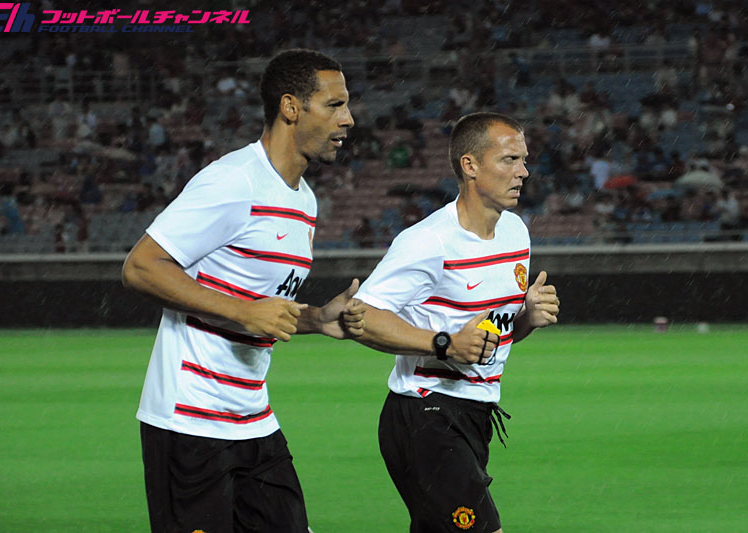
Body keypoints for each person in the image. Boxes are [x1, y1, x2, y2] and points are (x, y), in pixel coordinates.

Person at [121, 49, 364, 533]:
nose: (349, 119)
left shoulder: (304, 201)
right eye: (335, 105)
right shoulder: (233, 181)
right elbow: (142, 267)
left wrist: (317, 319)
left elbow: (264, 308)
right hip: (190, 423)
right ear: (291, 107)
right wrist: (242, 312)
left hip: (253, 418)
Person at [352, 112, 560, 533]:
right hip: (425, 414)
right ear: (470, 165)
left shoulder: (515, 232)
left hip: (474, 414)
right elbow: (361, 316)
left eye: (524, 160)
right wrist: (444, 344)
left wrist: (526, 321)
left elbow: (486, 340)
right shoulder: (428, 241)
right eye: (509, 160)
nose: (523, 172)